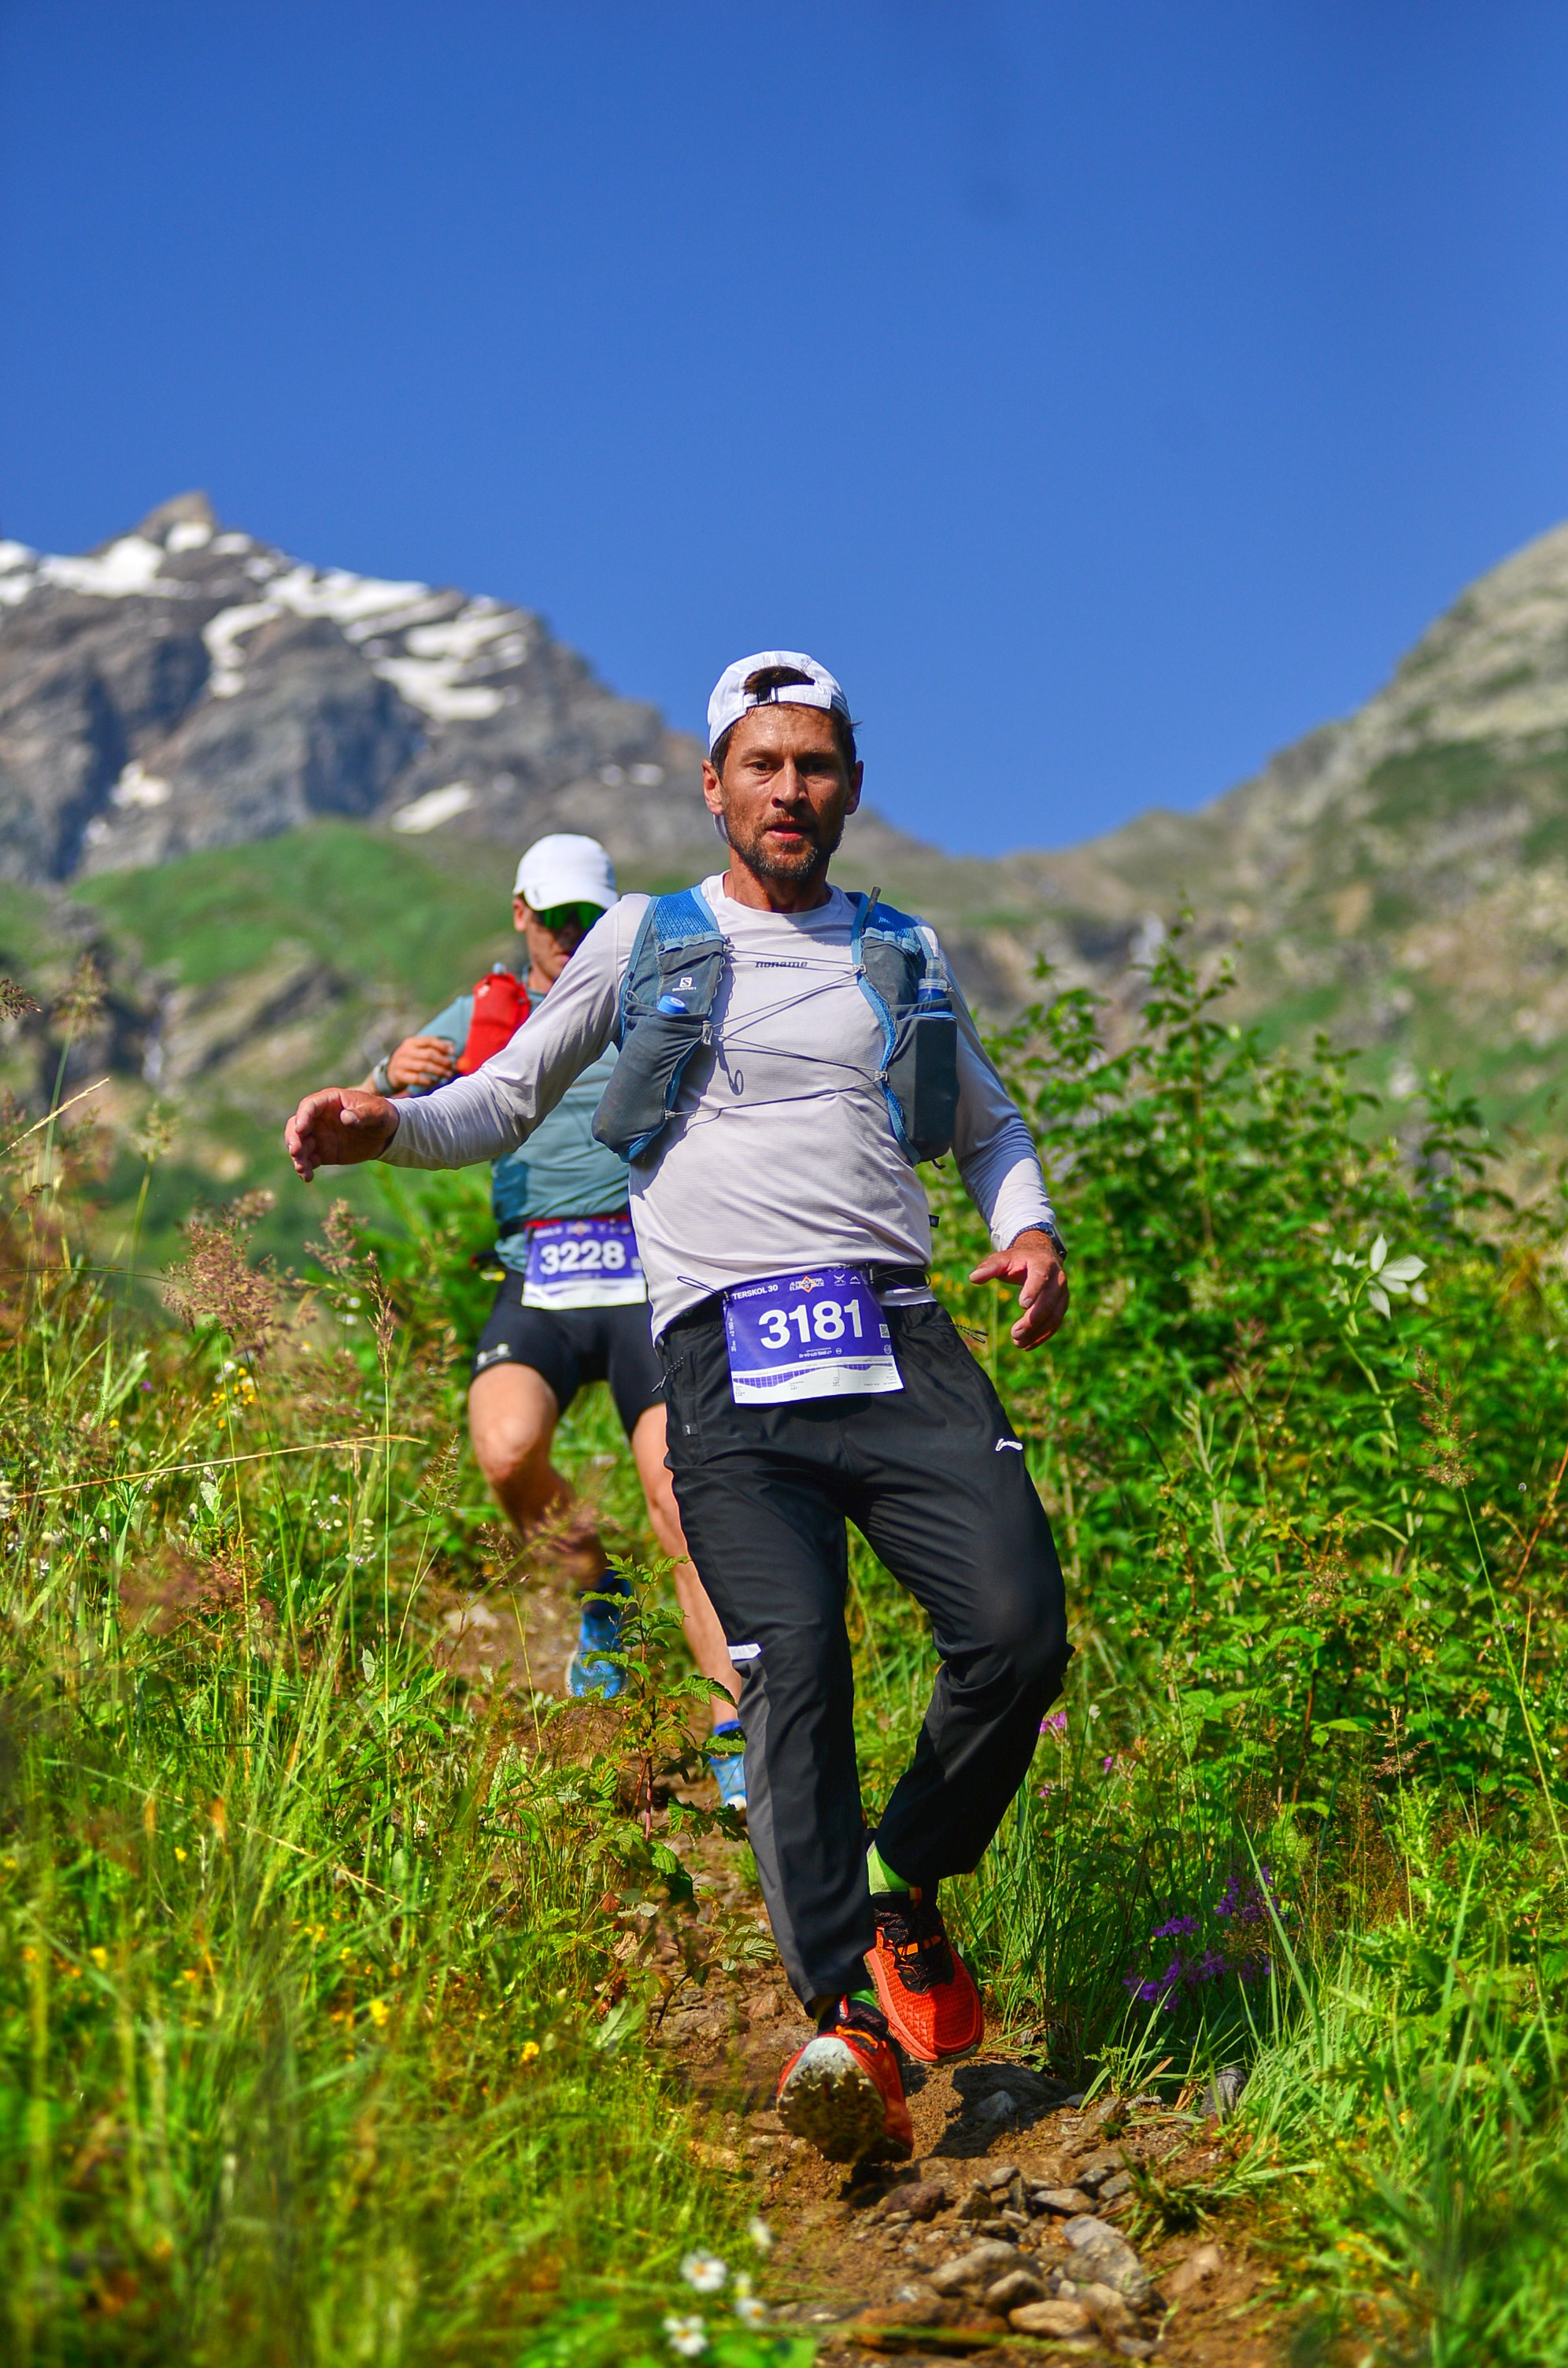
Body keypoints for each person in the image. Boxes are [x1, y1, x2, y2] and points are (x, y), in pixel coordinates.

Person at [285, 654, 1071, 2167]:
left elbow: (990, 1124)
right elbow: (504, 1099)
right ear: (711, 785)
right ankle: (843, 2012)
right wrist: (386, 1122)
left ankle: (904, 1878)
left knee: (1016, 1628)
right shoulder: (645, 938)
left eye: (817, 766)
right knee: (793, 1670)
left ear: (848, 785)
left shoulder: (896, 950)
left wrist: (1025, 1224)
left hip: (898, 1339)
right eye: (761, 766)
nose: (791, 791)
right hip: (722, 1362)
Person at [364, 831, 744, 1801]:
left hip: (646, 1273)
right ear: (522, 913)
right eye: (559, 918)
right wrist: (385, 1078)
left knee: (678, 1500)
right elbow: (391, 1106)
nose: (576, 936)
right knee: (502, 1450)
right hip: (538, 1272)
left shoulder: (653, 992)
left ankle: (736, 1730)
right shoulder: (480, 1014)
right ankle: (597, 1590)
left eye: (594, 918)